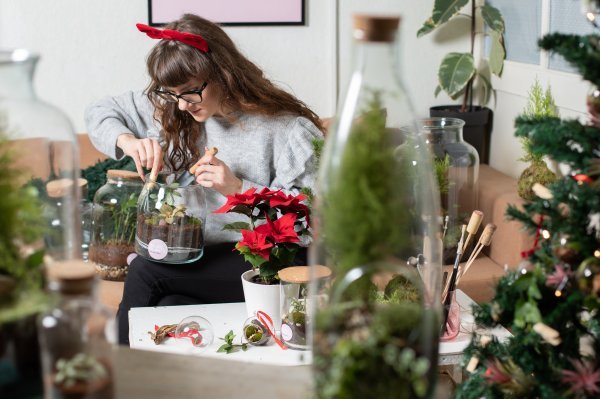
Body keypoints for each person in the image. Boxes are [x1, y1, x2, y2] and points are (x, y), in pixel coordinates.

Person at [85, 14, 324, 345]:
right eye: (172, 94)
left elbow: (307, 224)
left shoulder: (286, 129)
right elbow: (99, 111)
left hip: (270, 264)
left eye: (191, 92)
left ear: (223, 74)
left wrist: (238, 190)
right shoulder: (174, 107)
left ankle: (112, 374)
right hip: (200, 256)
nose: (182, 105)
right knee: (171, 306)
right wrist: (129, 141)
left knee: (145, 271)